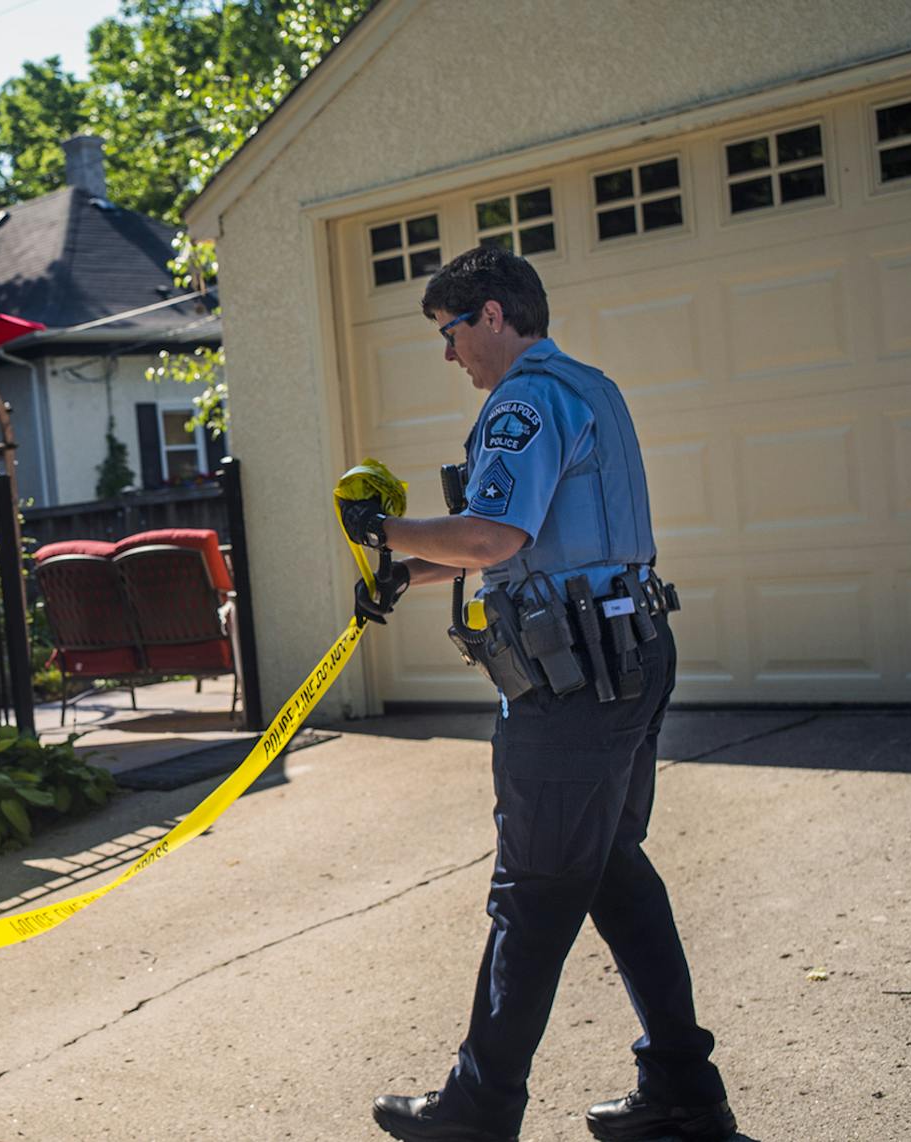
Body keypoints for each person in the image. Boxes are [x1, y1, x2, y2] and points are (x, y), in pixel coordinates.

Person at [339, 247, 734, 1142]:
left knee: (535, 891)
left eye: (450, 333)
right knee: (610, 872)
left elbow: (493, 537)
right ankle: (682, 1094)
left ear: (491, 314)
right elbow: (548, 536)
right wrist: (407, 571)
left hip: (574, 682)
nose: (449, 354)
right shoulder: (590, 387)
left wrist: (383, 530)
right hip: (629, 653)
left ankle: (478, 1111)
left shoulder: (521, 401)